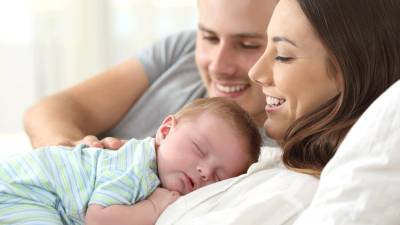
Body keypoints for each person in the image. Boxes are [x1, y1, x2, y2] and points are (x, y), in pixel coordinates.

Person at [154, 0, 400, 224]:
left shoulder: (295, 195)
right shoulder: (276, 167)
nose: (256, 73)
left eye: (282, 56)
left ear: (350, 73)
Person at [23, 0, 278, 149]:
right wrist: (74, 157)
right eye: (209, 37)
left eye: (248, 45)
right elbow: (47, 111)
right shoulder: (183, 50)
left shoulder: (278, 156)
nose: (218, 66)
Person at [0, 97, 261, 225]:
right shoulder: (136, 167)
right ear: (166, 130)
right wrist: (153, 209)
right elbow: (98, 219)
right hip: (24, 192)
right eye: (198, 149)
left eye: (219, 176)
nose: (204, 171)